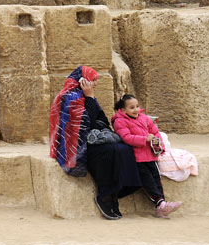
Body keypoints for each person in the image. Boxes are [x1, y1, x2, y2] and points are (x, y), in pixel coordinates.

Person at [50, 66, 141, 220]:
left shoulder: (86, 97)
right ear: (83, 81)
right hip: (77, 146)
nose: (96, 84)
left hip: (91, 139)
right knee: (109, 151)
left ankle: (116, 193)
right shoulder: (69, 97)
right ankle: (104, 195)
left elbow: (103, 121)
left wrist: (91, 101)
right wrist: (90, 98)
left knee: (124, 148)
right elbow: (88, 123)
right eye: (93, 80)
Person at [112, 94, 183, 218]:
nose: (136, 110)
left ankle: (161, 205)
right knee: (148, 181)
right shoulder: (120, 121)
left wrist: (159, 145)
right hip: (138, 158)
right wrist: (145, 139)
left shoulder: (144, 118)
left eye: (137, 106)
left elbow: (155, 131)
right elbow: (126, 138)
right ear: (123, 110)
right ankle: (160, 204)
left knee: (156, 179)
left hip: (150, 155)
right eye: (131, 107)